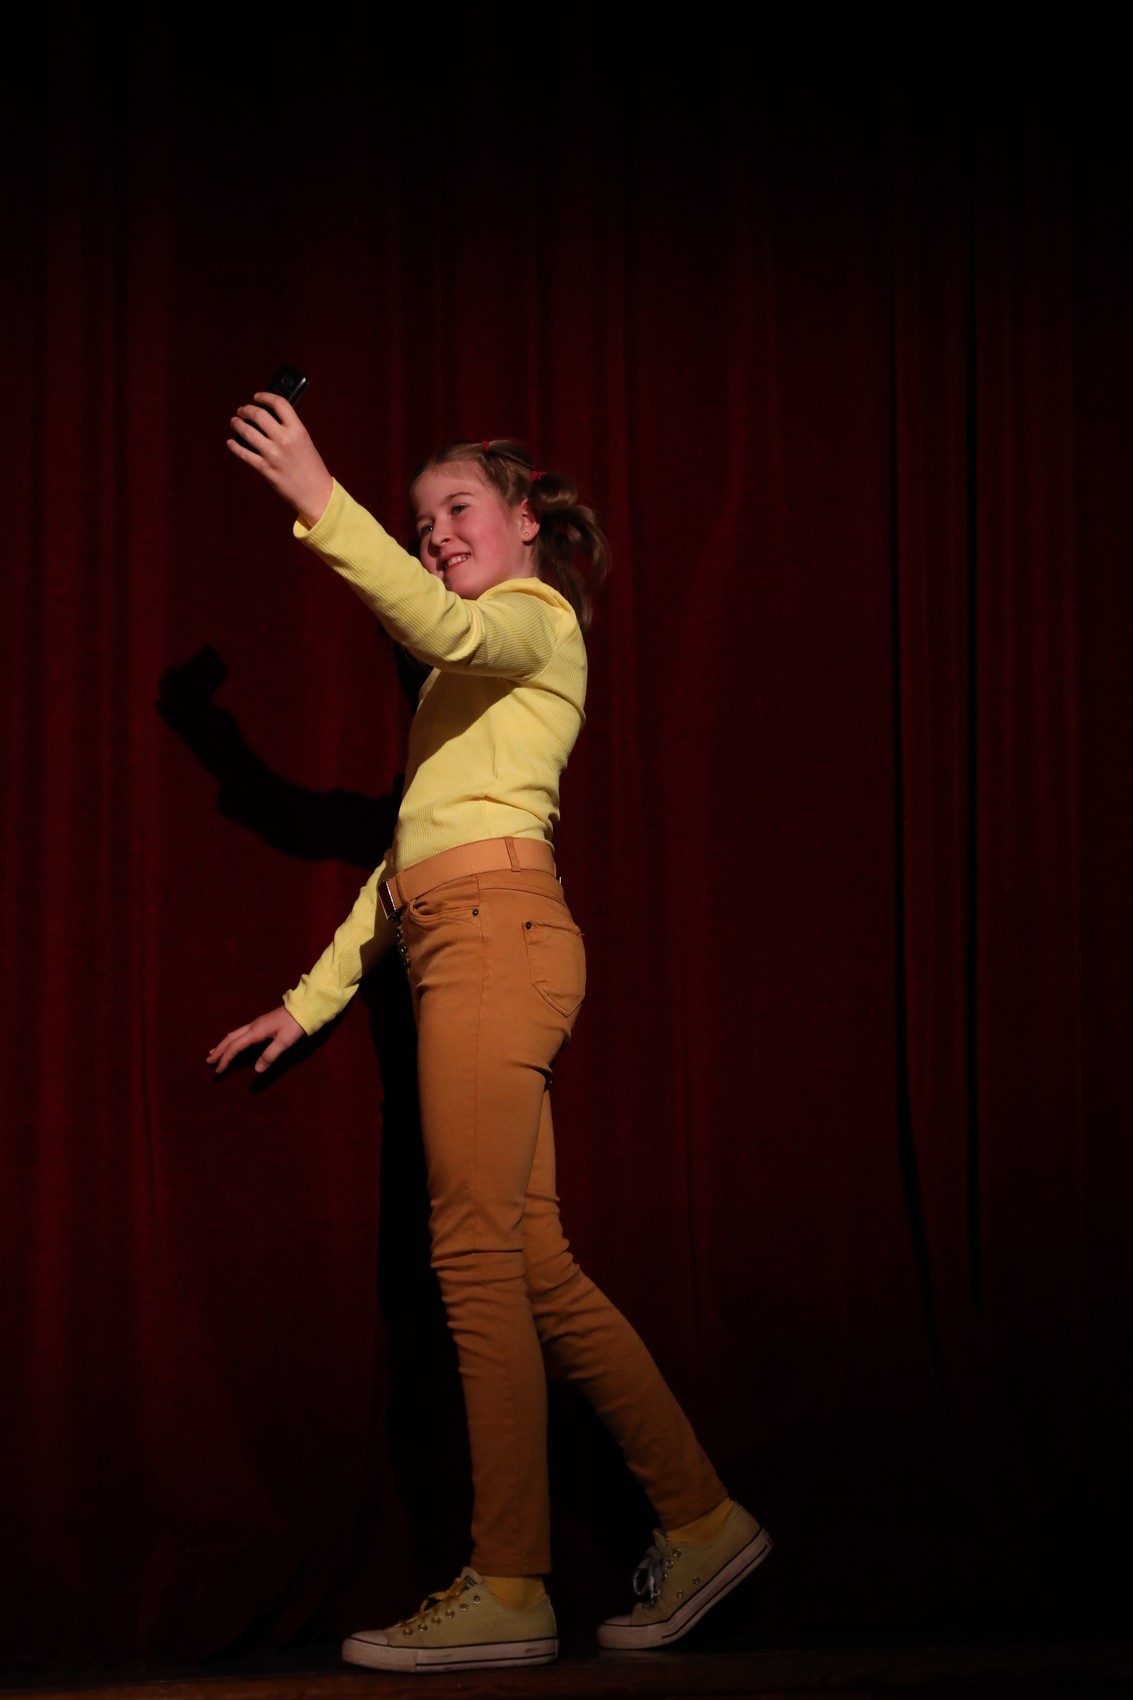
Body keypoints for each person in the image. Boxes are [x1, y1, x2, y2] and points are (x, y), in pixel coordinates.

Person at [207, 393, 772, 1673]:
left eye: (455, 509)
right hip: (470, 931)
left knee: (468, 1257)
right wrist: (304, 1002)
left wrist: (318, 497)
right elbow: (406, 860)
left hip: (493, 939)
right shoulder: (459, 694)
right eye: (419, 525)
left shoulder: (530, 618)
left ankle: (508, 1579)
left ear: (523, 522)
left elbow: (442, 622)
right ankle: (702, 1518)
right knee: (535, 1266)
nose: (435, 536)